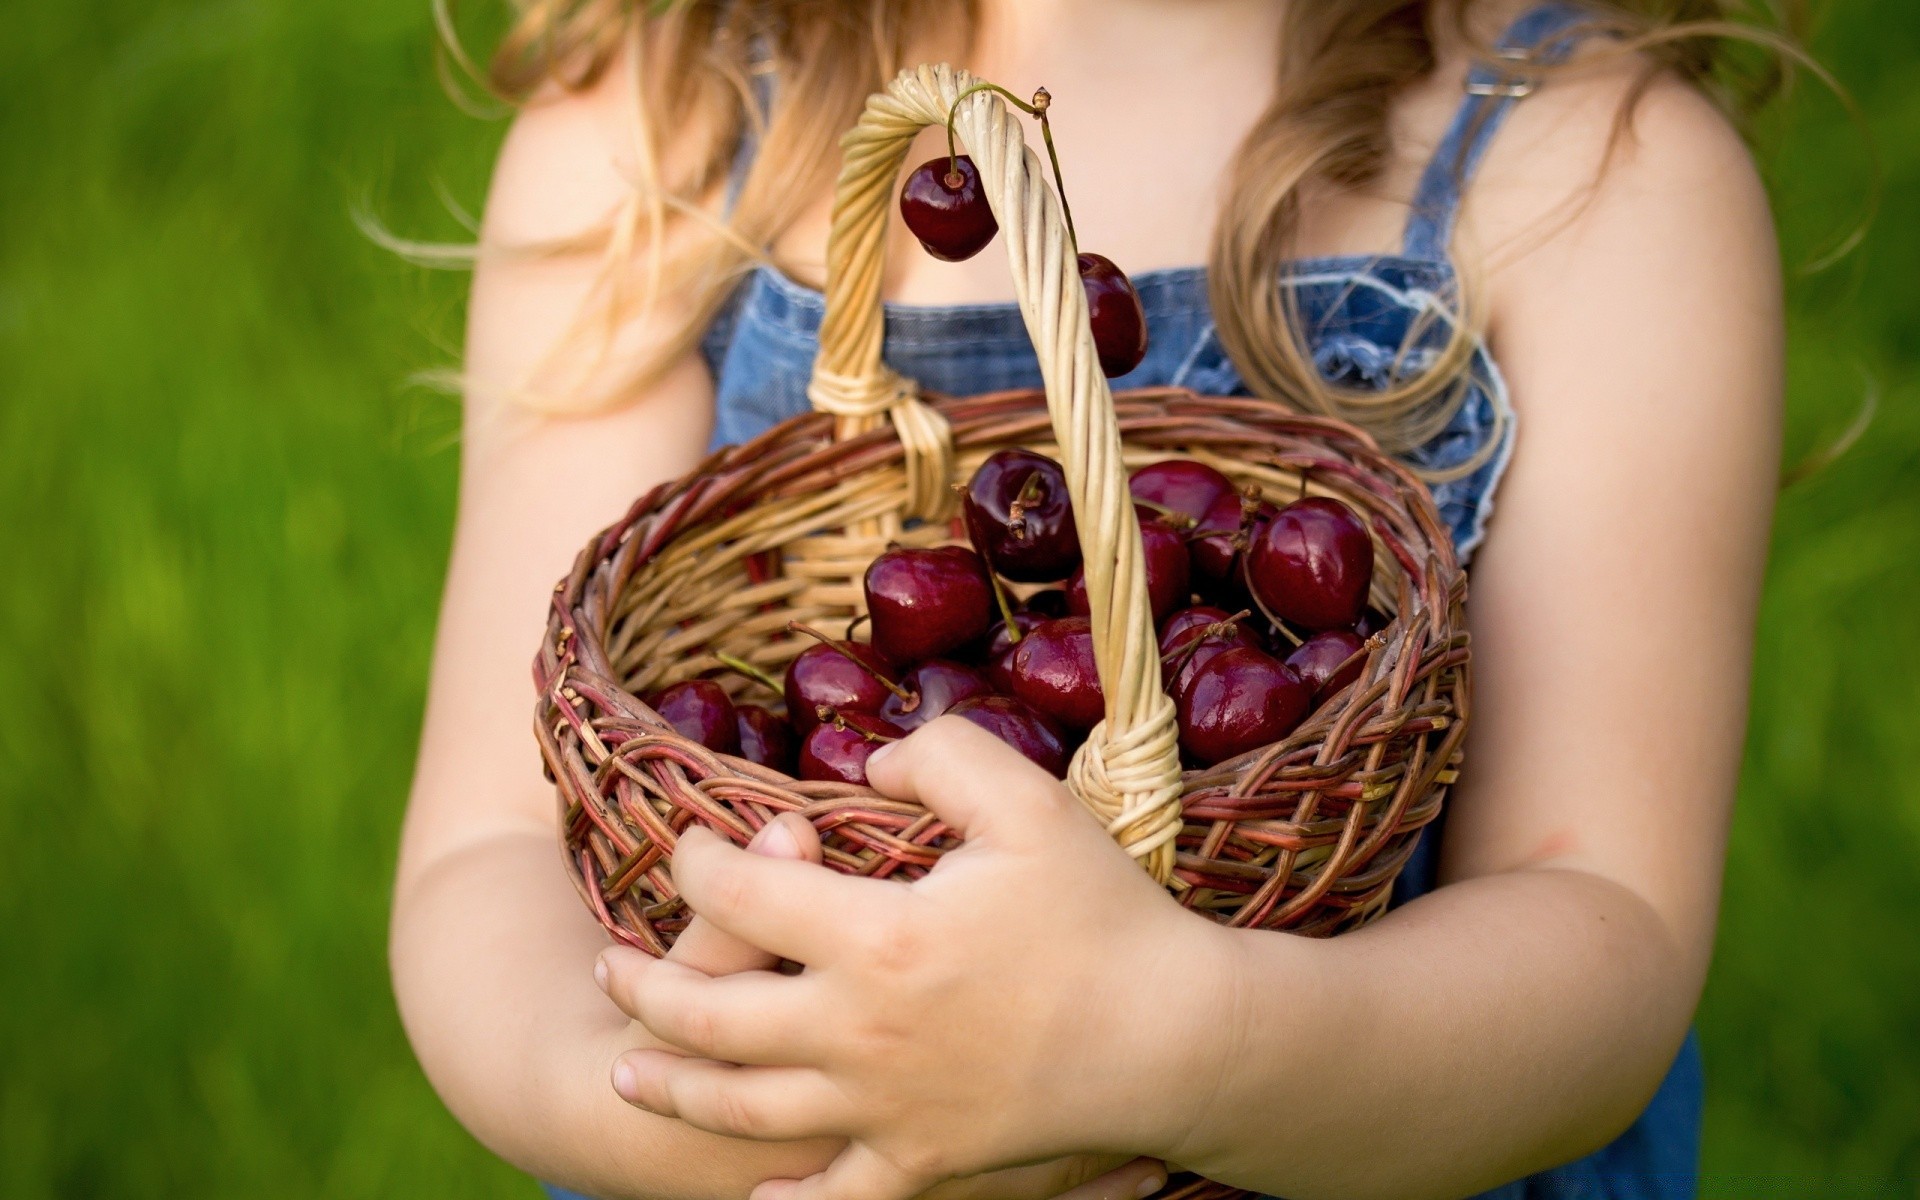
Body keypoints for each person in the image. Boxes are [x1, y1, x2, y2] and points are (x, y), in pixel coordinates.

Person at [390, 2, 1794, 1197]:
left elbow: (1603, 928)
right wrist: (752, 1108)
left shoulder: (1597, 181)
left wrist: (1171, 1049)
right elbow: (489, 856)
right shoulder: (658, 140)